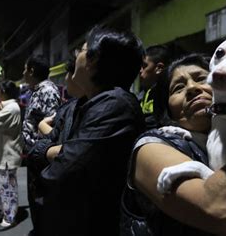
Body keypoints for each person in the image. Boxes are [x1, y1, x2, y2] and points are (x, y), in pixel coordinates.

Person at [119, 54, 226, 235]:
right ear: (168, 110)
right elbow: (221, 210)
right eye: (178, 88)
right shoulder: (151, 147)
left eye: (202, 78)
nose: (192, 88)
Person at [33, 26, 145, 236]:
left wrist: (43, 151)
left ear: (94, 60)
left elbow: (62, 171)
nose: (77, 56)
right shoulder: (84, 104)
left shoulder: (115, 105)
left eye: (82, 50)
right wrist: (54, 150)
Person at [21, 54, 61, 235]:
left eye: (25, 69)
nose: (23, 73)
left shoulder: (48, 91)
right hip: (33, 154)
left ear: (32, 71)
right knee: (34, 199)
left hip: (40, 157)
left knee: (40, 200)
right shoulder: (36, 90)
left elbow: (51, 128)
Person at [0, 81, 24, 232]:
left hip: (7, 157)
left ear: (3, 91)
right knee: (1, 188)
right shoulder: (5, 106)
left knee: (8, 189)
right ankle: (2, 212)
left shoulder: (11, 108)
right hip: (1, 156)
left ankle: (9, 219)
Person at [138, 45, 172, 128]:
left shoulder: (169, 95)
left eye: (144, 66)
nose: (140, 71)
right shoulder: (141, 95)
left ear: (159, 68)